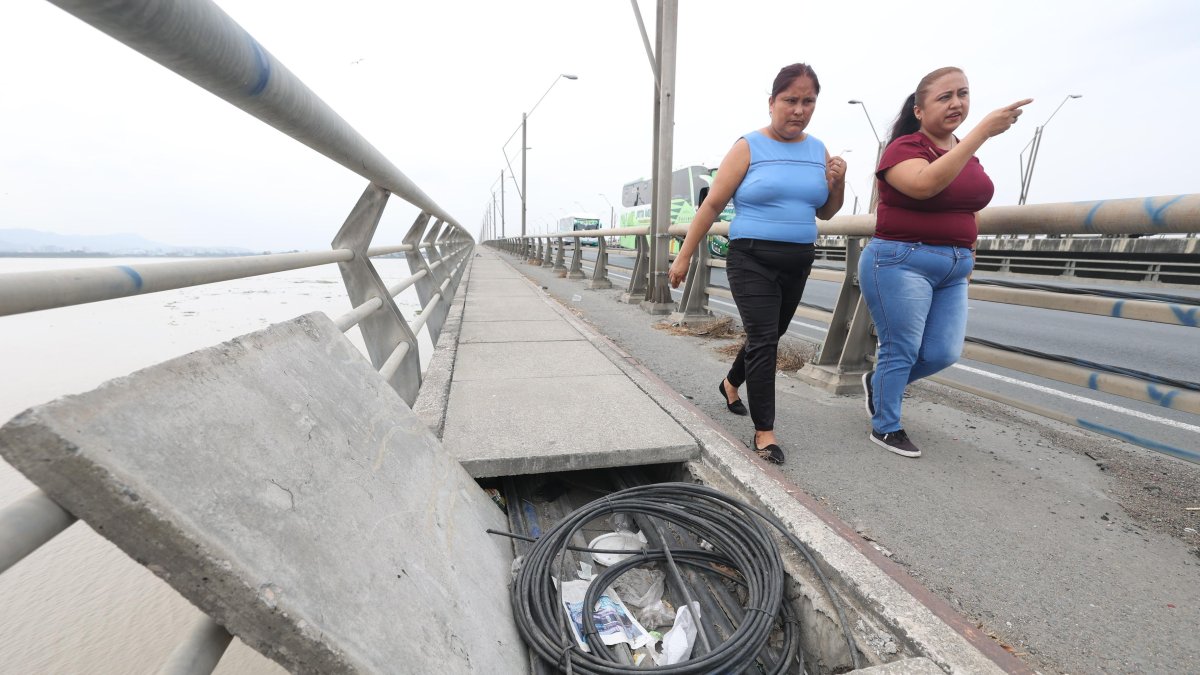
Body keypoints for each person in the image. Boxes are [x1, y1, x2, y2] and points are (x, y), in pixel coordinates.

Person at [669, 63, 845, 465]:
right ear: (771, 103)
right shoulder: (748, 146)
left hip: (797, 261)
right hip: (751, 257)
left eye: (808, 101)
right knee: (765, 341)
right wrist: (684, 256)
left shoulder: (818, 150)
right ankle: (765, 432)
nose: (799, 110)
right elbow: (712, 205)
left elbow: (829, 213)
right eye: (790, 100)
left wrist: (839, 183)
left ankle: (731, 384)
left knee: (768, 336)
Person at [859, 67, 1031, 458]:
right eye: (944, 97)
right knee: (900, 348)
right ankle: (886, 426)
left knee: (943, 352)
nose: (957, 103)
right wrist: (981, 132)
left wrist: (968, 248)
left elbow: (968, 204)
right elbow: (924, 185)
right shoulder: (904, 148)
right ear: (919, 111)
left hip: (954, 268)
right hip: (901, 260)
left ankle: (878, 382)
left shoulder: (964, 150)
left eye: (963, 93)